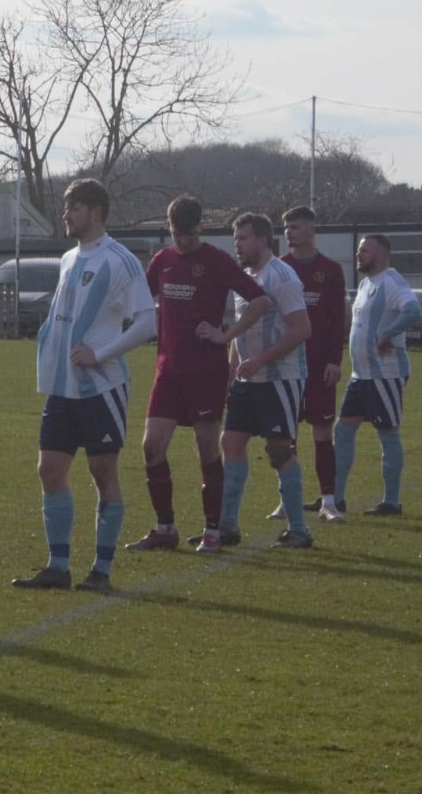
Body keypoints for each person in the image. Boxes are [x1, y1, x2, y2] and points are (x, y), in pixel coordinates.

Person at [11, 179, 155, 594]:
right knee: (49, 470)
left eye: (74, 208)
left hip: (101, 389)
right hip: (62, 387)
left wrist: (101, 353)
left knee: (102, 471)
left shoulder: (121, 260)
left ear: (96, 212)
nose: (66, 215)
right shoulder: (68, 259)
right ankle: (58, 567)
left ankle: (101, 572)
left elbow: (148, 322)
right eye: (66, 208)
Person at [132, 195, 270, 555]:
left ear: (201, 228)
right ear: (169, 228)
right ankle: (165, 528)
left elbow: (260, 301)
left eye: (190, 236)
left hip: (206, 372)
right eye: (177, 235)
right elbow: (138, 301)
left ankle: (212, 530)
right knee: (151, 446)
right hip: (168, 371)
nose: (183, 242)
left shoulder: (217, 261)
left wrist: (226, 335)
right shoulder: (162, 261)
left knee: (207, 447)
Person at [203, 213, 314, 549]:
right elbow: (242, 333)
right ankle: (227, 526)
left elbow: (302, 329)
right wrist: (230, 375)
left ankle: (299, 529)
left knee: (278, 450)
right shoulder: (245, 279)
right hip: (248, 380)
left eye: (243, 238)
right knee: (231, 443)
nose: (237, 245)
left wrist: (261, 360)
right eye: (235, 238)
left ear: (263, 240)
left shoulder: (282, 276)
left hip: (280, 378)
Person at [269, 206, 348, 522]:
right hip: (286, 365)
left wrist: (334, 360)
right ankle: (287, 500)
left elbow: (337, 319)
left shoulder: (330, 270)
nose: (289, 232)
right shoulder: (279, 267)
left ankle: (328, 501)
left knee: (322, 432)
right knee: (284, 435)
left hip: (318, 366)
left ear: (312, 229)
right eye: (286, 227)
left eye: (296, 227)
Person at [335, 234, 422, 515]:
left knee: (387, 433)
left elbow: (413, 310)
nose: (358, 255)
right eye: (359, 250)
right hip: (361, 375)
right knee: (342, 430)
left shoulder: (392, 282)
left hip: (385, 374)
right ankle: (335, 498)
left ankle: (392, 502)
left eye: (365, 250)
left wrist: (388, 334)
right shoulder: (365, 284)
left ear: (382, 254)